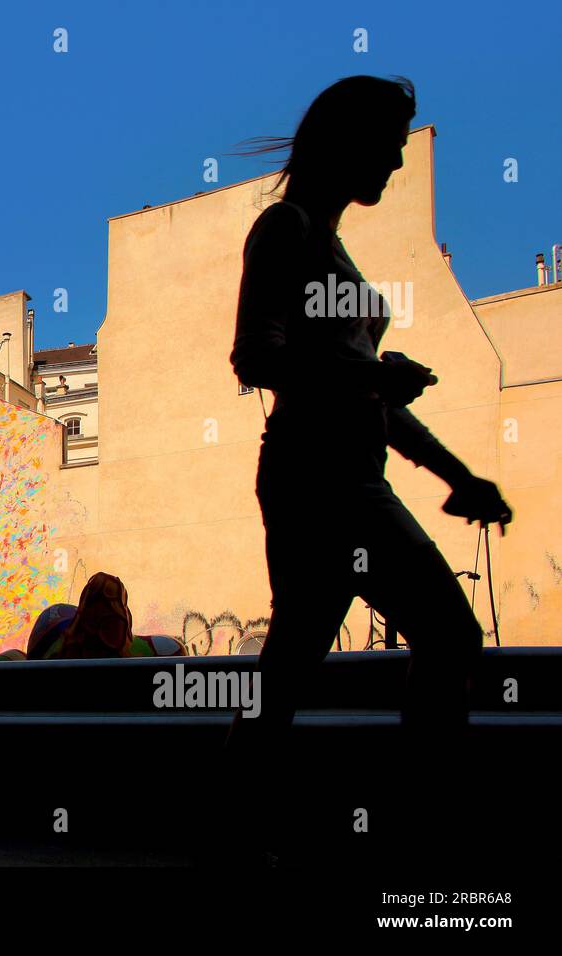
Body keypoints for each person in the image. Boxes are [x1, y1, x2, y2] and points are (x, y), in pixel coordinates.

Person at [227, 76, 512, 761]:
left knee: (289, 667)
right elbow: (254, 355)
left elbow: (373, 401)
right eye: (388, 144)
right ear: (347, 143)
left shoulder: (325, 247)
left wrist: (456, 475)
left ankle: (232, 835)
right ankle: (419, 825)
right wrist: (372, 375)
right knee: (448, 634)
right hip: (322, 481)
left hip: (336, 480)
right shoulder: (286, 228)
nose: (398, 160)